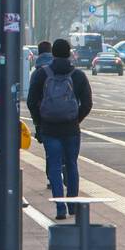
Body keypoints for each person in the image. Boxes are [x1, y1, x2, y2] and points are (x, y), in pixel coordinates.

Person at [26, 38, 92, 220]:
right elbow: (87, 103)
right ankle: (73, 204)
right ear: (69, 53)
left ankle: (60, 207)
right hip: (71, 129)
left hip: (50, 128)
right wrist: (76, 119)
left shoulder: (41, 74)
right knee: (71, 165)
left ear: (53, 54)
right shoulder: (77, 75)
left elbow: (31, 102)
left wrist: (40, 122)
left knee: (54, 166)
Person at [30, 40, 56, 190]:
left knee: (50, 152)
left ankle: (52, 178)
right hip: (68, 120)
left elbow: (31, 101)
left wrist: (37, 122)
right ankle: (68, 179)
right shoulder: (66, 70)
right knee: (67, 155)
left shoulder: (38, 72)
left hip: (45, 119)